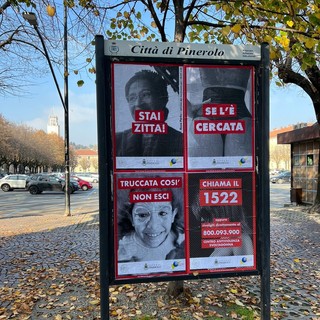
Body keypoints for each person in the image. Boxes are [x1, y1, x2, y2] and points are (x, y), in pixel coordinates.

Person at [116, 69, 183, 157]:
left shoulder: (181, 141)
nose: (138, 103)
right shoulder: (117, 140)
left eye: (145, 95)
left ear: (163, 99)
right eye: (132, 98)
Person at [187, 67, 252, 157]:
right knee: (236, 166)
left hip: (209, 114)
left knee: (209, 166)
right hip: (238, 112)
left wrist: (188, 107)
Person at [117, 187, 185, 262]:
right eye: (142, 215)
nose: (153, 226)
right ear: (131, 218)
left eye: (162, 213)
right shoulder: (126, 247)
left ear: (173, 215)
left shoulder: (179, 236)